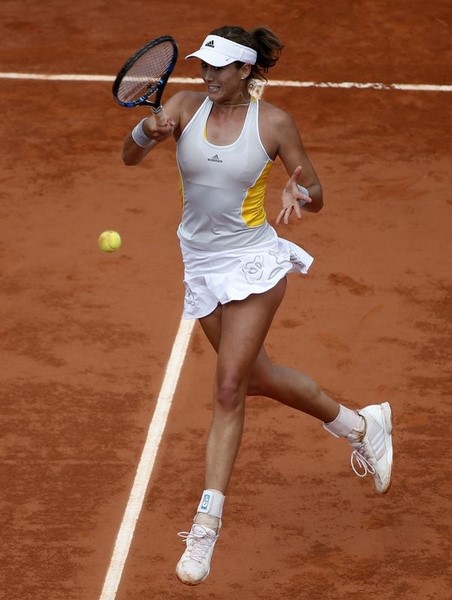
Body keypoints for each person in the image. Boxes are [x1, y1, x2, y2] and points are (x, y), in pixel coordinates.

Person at [121, 25, 394, 586]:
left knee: (227, 387)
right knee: (258, 376)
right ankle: (359, 425)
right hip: (199, 264)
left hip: (254, 263)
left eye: (220, 68)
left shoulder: (272, 124)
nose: (208, 76)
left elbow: (316, 193)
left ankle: (205, 525)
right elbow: (129, 157)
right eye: (204, 66)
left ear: (246, 71)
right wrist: (146, 133)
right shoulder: (180, 106)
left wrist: (301, 195)